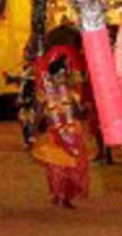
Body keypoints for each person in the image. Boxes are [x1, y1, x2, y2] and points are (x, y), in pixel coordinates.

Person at [32, 58, 92, 208]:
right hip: (55, 132)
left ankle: (65, 196)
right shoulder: (45, 90)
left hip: (72, 131)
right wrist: (35, 129)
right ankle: (59, 195)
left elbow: (78, 112)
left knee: (71, 166)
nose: (63, 77)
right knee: (56, 166)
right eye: (62, 73)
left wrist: (80, 105)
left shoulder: (70, 90)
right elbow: (39, 111)